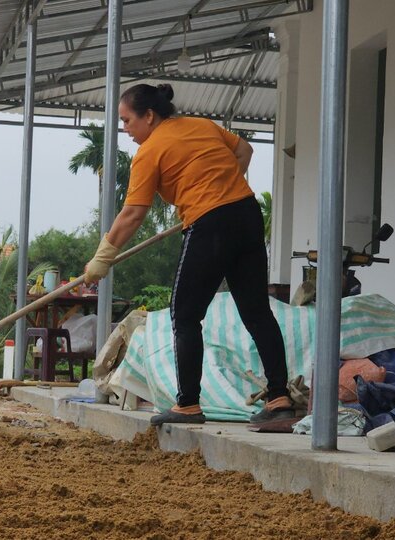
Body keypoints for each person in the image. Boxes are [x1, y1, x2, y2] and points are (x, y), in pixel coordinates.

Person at [84, 84, 294, 427]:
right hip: (246, 214)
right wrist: (224, 186)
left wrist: (101, 259)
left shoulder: (150, 151)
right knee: (257, 312)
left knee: (184, 315)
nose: (125, 129)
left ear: (149, 116)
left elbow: (133, 213)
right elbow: (245, 150)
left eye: (127, 121)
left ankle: (188, 405)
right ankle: (280, 399)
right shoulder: (202, 125)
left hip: (210, 224)